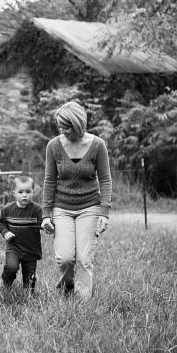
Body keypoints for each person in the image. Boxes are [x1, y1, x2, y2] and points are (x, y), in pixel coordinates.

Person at [40, 101, 111, 298]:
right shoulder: (54, 146)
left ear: (78, 124)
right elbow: (49, 180)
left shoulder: (97, 145)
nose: (62, 130)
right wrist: (46, 215)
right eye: (60, 126)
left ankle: (83, 301)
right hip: (62, 207)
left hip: (89, 206)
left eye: (67, 126)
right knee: (64, 258)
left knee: (83, 259)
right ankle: (67, 289)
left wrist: (104, 212)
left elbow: (105, 180)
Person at [0, 175, 44, 293]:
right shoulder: (7, 209)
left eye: (28, 192)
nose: (24, 195)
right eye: (20, 192)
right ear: (14, 193)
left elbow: (42, 223)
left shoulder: (37, 210)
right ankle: (6, 285)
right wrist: (5, 232)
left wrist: (47, 226)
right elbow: (1, 224)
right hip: (14, 247)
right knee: (11, 267)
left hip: (31, 249)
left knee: (30, 276)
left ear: (33, 192)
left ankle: (28, 295)